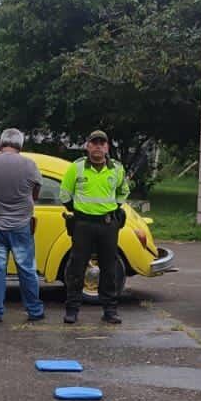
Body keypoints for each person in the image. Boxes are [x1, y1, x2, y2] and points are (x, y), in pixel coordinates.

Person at [0, 128, 45, 323]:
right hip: (22, 224)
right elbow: (36, 193)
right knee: (27, 268)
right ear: (20, 145)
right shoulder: (30, 165)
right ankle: (34, 311)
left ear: (1, 143)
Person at [58, 130, 129, 325]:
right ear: (88, 146)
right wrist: (78, 211)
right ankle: (72, 310)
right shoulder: (77, 167)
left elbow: (124, 191)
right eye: (94, 143)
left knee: (109, 267)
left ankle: (110, 310)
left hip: (107, 224)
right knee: (77, 267)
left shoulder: (116, 169)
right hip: (83, 224)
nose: (98, 146)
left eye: (102, 143)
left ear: (107, 147)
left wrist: (114, 208)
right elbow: (64, 194)